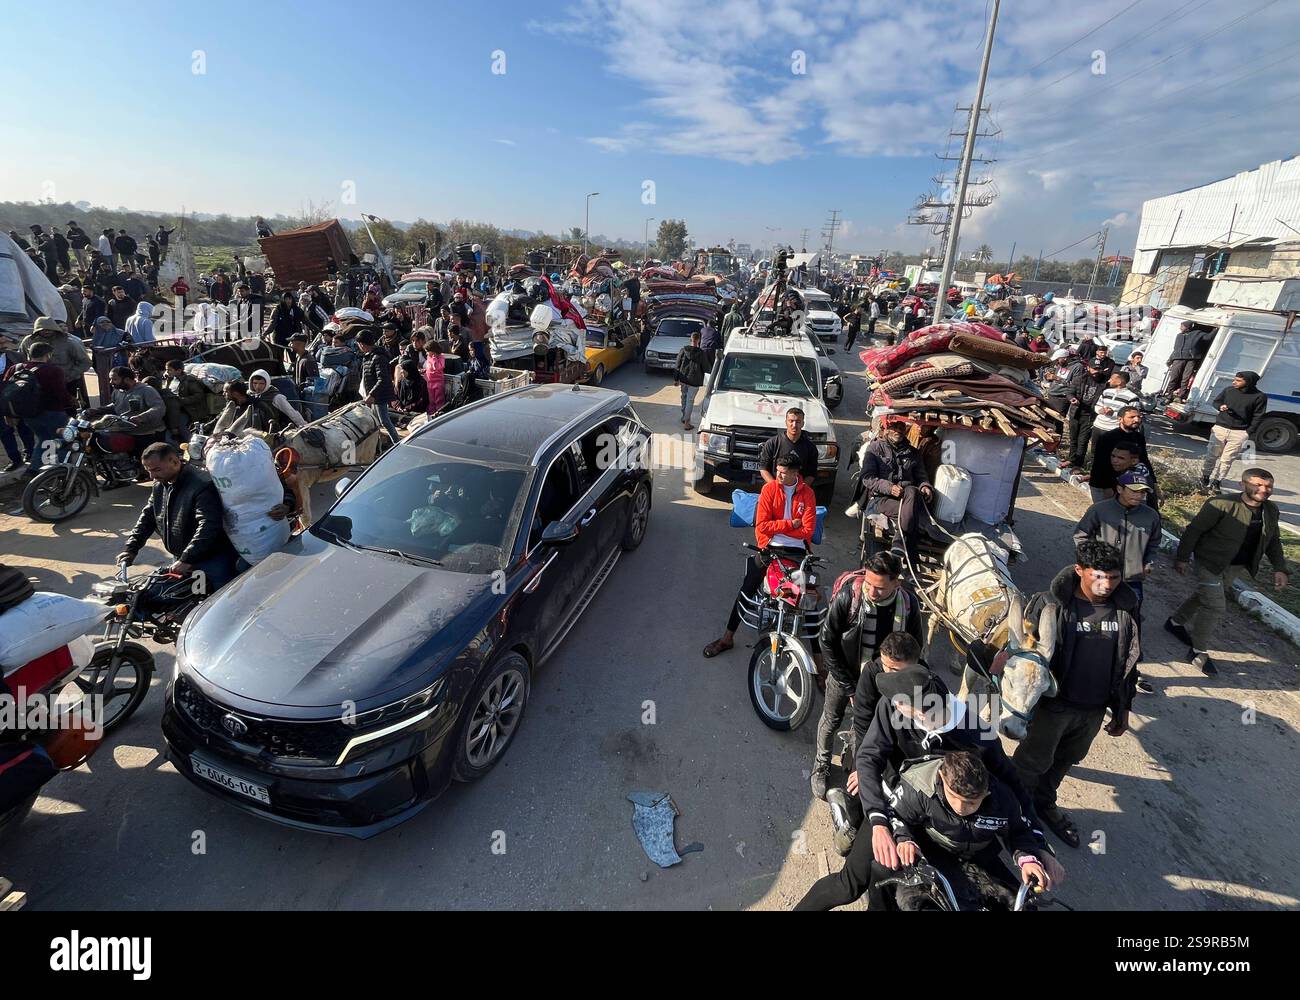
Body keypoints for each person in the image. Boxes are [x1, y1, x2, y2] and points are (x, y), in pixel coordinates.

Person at [796, 750, 1053, 911]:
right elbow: (894, 813)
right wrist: (904, 838)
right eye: (956, 799)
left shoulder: (1001, 799)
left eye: (972, 803)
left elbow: (1020, 830)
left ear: (986, 791)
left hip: (966, 854)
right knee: (861, 879)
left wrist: (1029, 858)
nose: (963, 808)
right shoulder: (918, 788)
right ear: (942, 780)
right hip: (920, 841)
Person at [1013, 540, 1140, 848]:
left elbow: (1130, 660)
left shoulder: (1125, 610)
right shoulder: (1050, 605)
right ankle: (1017, 813)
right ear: (1080, 570)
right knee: (1031, 763)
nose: (1107, 584)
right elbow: (1026, 656)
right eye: (1099, 576)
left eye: (1113, 577)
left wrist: (1123, 707)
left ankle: (1044, 803)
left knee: (1067, 759)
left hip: (1094, 710)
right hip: (1053, 707)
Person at [811, 554, 924, 800]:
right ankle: (821, 764)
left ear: (897, 583)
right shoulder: (849, 597)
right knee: (831, 719)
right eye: (869, 584)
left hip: (883, 683)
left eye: (880, 588)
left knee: (865, 727)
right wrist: (850, 687)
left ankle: (854, 761)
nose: (871, 592)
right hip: (845, 674)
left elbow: (916, 649)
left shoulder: (908, 605)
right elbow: (827, 641)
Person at [1169, 468, 1289, 675]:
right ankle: (1198, 652)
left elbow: (1273, 541)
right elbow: (1194, 530)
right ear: (1242, 485)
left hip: (1236, 566)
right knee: (1215, 605)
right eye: (1257, 484)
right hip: (1209, 563)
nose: (1264, 490)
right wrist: (1182, 558)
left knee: (1206, 596)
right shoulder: (1222, 504)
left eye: (1268, 486)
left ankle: (1174, 622)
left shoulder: (1270, 510)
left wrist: (1280, 568)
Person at [702, 453, 816, 659]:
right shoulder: (769, 489)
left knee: (807, 597)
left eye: (783, 473)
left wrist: (780, 527)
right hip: (770, 549)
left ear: (795, 473)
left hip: (798, 552)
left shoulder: (808, 494)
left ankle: (819, 659)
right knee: (747, 587)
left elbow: (807, 530)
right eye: (777, 471)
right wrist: (791, 524)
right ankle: (727, 638)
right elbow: (762, 525)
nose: (778, 476)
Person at [117, 442, 240, 595]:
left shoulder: (201, 483)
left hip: (212, 559)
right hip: (183, 558)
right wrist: (131, 548)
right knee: (185, 601)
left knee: (222, 603)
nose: (152, 476)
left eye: (156, 469)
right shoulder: (161, 484)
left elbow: (209, 524)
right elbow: (148, 516)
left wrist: (188, 558)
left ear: (174, 462)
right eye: (148, 471)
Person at [1073, 472, 1161, 611]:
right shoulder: (1100, 510)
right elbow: (1081, 535)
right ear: (1120, 489)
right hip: (1100, 575)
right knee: (1089, 611)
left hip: (1132, 578)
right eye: (1134, 491)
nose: (1139, 496)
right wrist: (1093, 561)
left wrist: (1148, 562)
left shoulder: (1151, 516)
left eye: (1143, 492)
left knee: (1131, 613)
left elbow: (1154, 543)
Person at [851, 420, 935, 561]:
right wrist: (889, 488)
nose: (898, 430)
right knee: (910, 512)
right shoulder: (875, 449)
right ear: (887, 428)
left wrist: (925, 486)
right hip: (882, 499)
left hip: (908, 498)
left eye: (901, 427)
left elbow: (922, 476)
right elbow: (867, 478)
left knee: (913, 492)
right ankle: (908, 551)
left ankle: (899, 542)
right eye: (894, 427)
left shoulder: (913, 453)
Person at [0, 341, 71, 476]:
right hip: (53, 413)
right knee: (62, 442)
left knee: (44, 440)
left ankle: (34, 471)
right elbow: (60, 393)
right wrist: (71, 404)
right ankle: (61, 473)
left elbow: (5, 390)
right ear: (48, 354)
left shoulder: (15, 368)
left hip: (29, 415)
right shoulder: (53, 370)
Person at [84, 366, 167, 464]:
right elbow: (115, 406)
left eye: (114, 379)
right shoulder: (118, 391)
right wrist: (96, 410)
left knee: (147, 461)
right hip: (123, 428)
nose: (111, 382)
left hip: (145, 431)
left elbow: (159, 408)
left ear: (127, 379)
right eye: (111, 379)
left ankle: (144, 471)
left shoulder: (146, 390)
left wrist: (141, 417)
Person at [1201, 371, 1266, 493]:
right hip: (1220, 428)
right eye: (1234, 379)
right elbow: (1216, 402)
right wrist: (1220, 407)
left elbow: (1258, 416)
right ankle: (1205, 478)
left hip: (1239, 432)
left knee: (1227, 459)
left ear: (1249, 382)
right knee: (1211, 455)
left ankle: (1217, 482)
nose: (1234, 382)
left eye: (1238, 380)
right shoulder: (1229, 390)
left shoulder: (1259, 397)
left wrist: (1248, 432)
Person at [19, 315, 91, 410]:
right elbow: (21, 359)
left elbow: (85, 362)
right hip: (38, 384)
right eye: (43, 329)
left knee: (69, 410)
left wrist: (70, 375)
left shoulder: (69, 342)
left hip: (66, 383)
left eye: (50, 329)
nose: (47, 331)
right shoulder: (28, 341)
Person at [1088, 407, 1154, 501]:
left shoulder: (1139, 438)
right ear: (1120, 419)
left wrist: (1153, 483)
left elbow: (1144, 459)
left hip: (1127, 484)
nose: (1137, 420)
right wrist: (1108, 487)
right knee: (1105, 513)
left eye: (1139, 417)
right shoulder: (1107, 437)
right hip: (1102, 485)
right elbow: (1100, 464)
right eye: (1132, 417)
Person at [1059, 353, 1109, 470]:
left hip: (1090, 415)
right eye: (1094, 368)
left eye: (1099, 369)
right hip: (1076, 412)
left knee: (1083, 440)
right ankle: (1071, 459)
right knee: (1073, 438)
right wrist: (1072, 399)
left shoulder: (1104, 383)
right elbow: (1069, 392)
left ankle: (1078, 464)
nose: (1097, 371)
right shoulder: (1080, 379)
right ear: (1088, 368)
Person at [1086, 370, 1139, 471]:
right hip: (1098, 426)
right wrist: (1100, 410)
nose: (1109, 380)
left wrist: (1113, 414)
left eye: (1112, 378)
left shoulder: (1132, 397)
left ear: (1119, 381)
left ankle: (1105, 476)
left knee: (1110, 454)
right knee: (1095, 452)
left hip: (1113, 429)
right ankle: (1092, 474)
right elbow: (1097, 405)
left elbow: (1132, 416)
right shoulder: (1107, 392)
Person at [356, 329, 400, 445]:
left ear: (362, 344)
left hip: (380, 394)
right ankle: (379, 443)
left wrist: (371, 395)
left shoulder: (378, 357)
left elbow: (383, 379)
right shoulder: (369, 356)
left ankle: (397, 443)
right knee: (376, 420)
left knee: (384, 421)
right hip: (374, 393)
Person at [1164, 321, 1213, 400]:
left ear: (1187, 327)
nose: (1180, 328)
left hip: (1191, 359)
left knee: (1185, 378)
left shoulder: (1197, 333)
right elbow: (1175, 349)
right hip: (1178, 358)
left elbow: (1208, 337)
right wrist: (1170, 359)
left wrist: (1215, 330)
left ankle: (1180, 396)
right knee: (1174, 377)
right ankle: (1169, 395)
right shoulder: (1179, 336)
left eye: (1182, 326)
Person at [672, 330, 707, 430]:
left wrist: (676, 378)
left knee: (684, 397)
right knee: (690, 400)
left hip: (683, 379)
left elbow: (677, 364)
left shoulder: (683, 350)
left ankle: (684, 417)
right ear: (699, 340)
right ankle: (687, 422)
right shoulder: (701, 353)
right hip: (695, 381)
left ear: (690, 339)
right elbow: (706, 367)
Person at [164, 358, 212, 428]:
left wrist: (182, 400)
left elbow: (199, 395)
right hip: (175, 408)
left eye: (169, 370)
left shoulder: (189, 381)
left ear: (179, 371)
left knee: (180, 425)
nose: (167, 372)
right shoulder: (171, 379)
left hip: (189, 410)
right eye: (166, 370)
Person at [264, 290, 306, 358]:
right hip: (279, 337)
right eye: (286, 299)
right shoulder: (277, 310)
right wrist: (264, 334)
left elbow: (306, 321)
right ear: (283, 300)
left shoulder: (297, 310)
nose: (288, 301)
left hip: (292, 339)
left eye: (290, 298)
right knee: (279, 358)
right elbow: (272, 324)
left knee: (293, 358)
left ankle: (294, 366)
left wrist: (319, 330)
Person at [424, 340, 446, 415]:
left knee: (439, 399)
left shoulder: (441, 357)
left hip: (438, 382)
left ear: (433, 350)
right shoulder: (428, 357)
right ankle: (432, 412)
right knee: (431, 399)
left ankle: (439, 412)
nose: (426, 353)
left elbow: (437, 367)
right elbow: (429, 367)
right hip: (430, 382)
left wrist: (434, 359)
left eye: (428, 351)